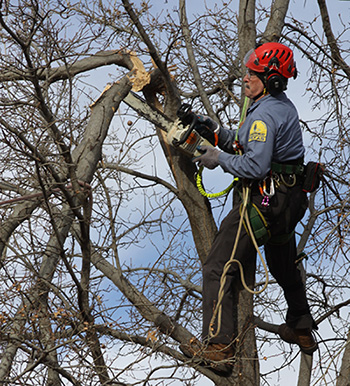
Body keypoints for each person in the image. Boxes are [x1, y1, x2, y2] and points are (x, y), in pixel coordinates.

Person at [180, 42, 318, 368]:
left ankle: (219, 348)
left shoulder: (265, 114)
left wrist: (217, 158)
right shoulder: (277, 106)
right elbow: (247, 144)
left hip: (265, 204)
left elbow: (255, 167)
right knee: (284, 265)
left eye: (252, 74)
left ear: (270, 80)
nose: (245, 78)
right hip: (287, 203)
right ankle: (301, 325)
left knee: (217, 267)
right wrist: (214, 131)